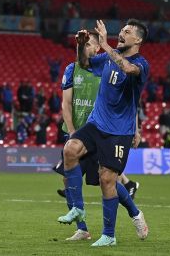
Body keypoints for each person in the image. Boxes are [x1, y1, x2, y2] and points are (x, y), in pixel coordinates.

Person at [58, 20, 150, 247]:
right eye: (121, 30)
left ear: (137, 39)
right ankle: (77, 209)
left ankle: (110, 234)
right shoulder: (108, 58)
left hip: (119, 132)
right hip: (97, 123)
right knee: (70, 149)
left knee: (107, 179)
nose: (122, 34)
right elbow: (86, 62)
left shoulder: (141, 64)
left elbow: (127, 69)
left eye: (127, 32)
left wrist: (105, 44)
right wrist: (81, 46)